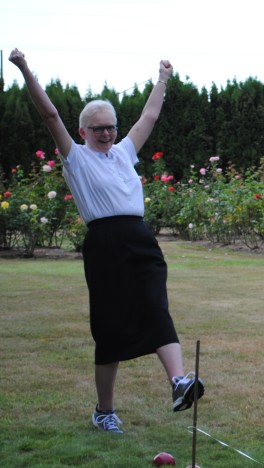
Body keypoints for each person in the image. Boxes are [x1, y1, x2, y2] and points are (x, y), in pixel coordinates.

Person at [9, 49, 204, 434]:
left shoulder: (124, 154)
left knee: (155, 306)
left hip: (141, 239)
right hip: (105, 244)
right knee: (110, 328)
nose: (107, 133)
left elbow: (149, 116)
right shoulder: (76, 159)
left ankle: (178, 383)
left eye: (111, 126)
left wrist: (162, 78)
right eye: (98, 128)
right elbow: (49, 115)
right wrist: (24, 68)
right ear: (83, 132)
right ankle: (104, 410)